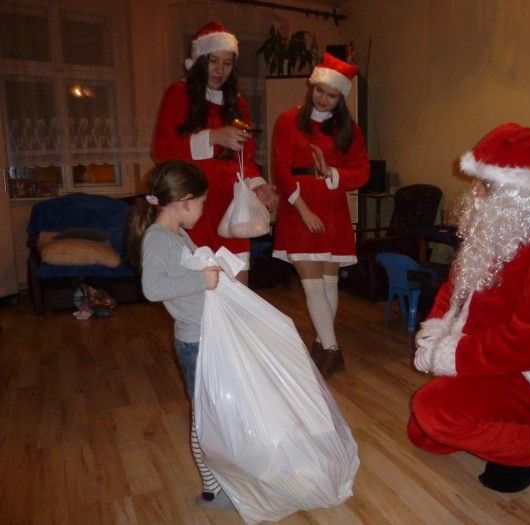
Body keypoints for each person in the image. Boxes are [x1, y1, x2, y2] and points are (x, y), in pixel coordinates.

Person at [407, 123, 530, 493]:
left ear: (518, 191)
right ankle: (515, 425)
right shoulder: (501, 227)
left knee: (435, 411)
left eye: (485, 185)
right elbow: (454, 289)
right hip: (490, 356)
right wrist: (434, 332)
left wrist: (453, 355)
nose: (475, 193)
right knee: (422, 433)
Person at [126, 159, 234, 510]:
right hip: (195, 341)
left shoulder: (174, 234)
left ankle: (221, 480)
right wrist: (202, 279)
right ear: (186, 201)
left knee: (214, 413)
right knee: (204, 418)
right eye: (202, 202)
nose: (203, 209)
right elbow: (153, 287)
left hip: (206, 336)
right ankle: (211, 490)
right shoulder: (159, 238)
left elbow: (186, 271)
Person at [153, 21, 278, 286]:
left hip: (232, 209)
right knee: (201, 292)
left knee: (238, 291)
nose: (220, 70)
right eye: (213, 61)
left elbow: (246, 158)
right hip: (193, 208)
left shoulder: (238, 103)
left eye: (227, 63)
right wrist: (213, 137)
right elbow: (163, 149)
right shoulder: (179, 93)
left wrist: (259, 186)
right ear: (200, 61)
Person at [271, 52, 369, 378]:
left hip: (333, 206)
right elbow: (281, 169)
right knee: (312, 284)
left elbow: (363, 172)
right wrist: (303, 210)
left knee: (329, 284)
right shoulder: (288, 120)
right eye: (319, 91)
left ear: (341, 98)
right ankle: (332, 350)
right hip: (299, 206)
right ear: (311, 86)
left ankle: (320, 343)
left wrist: (333, 172)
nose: (323, 99)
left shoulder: (349, 129)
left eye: (331, 95)